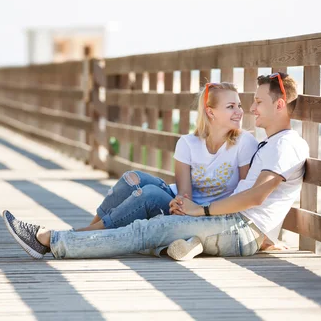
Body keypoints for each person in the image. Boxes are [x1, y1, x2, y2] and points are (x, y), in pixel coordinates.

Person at [3, 72, 309, 261]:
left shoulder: (285, 145)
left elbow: (257, 198)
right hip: (233, 224)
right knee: (147, 216)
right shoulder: (270, 144)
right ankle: (64, 239)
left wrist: (200, 212)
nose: (251, 108)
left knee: (147, 229)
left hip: (238, 228)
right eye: (246, 103)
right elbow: (253, 195)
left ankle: (52, 240)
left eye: (257, 102)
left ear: (279, 105)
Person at [66, 82, 257, 234]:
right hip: (184, 208)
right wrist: (181, 203)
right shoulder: (188, 143)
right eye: (231, 106)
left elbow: (244, 193)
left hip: (210, 214)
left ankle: (89, 232)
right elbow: (184, 193)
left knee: (148, 193)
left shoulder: (244, 142)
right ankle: (91, 227)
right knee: (131, 178)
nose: (239, 111)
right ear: (210, 112)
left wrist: (202, 210)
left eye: (239, 105)